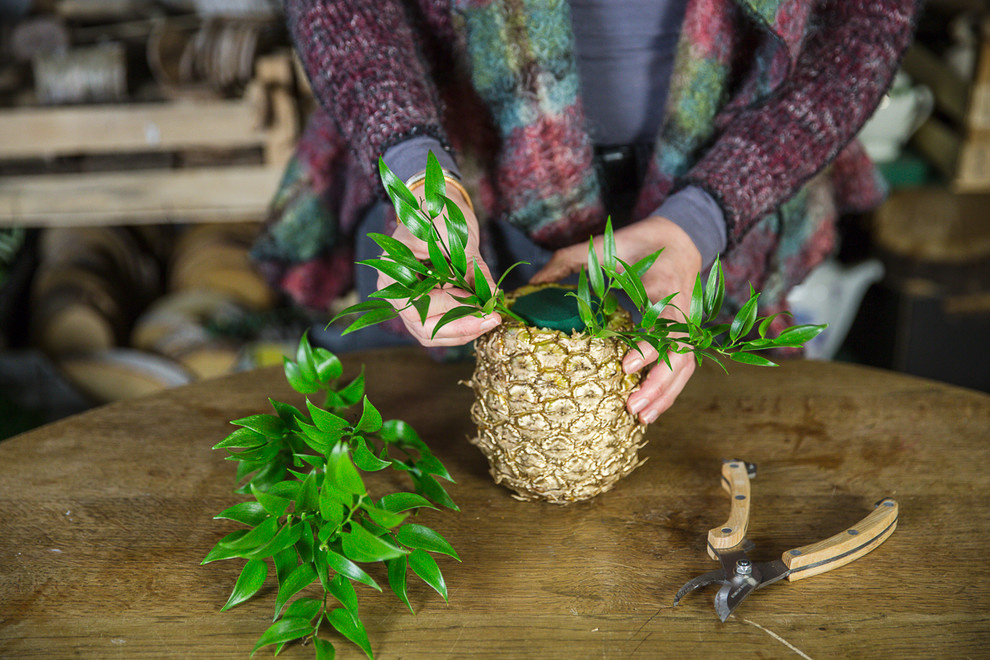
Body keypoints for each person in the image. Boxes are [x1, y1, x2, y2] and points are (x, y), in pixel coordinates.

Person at [252, 0, 921, 425]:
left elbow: (869, 21)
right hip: (450, 171)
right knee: (402, 431)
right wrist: (414, 173)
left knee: (711, 432)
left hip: (721, 184)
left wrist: (703, 220)